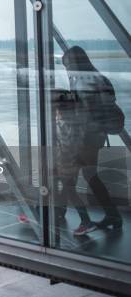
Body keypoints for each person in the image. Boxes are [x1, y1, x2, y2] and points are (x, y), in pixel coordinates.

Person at [62, 46, 123, 231]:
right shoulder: (99, 78)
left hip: (84, 137)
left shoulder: (84, 82)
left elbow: (83, 115)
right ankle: (114, 216)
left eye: (67, 66)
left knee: (67, 178)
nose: (67, 70)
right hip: (96, 136)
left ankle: (84, 221)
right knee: (90, 175)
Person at [52, 89, 96, 236]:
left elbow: (66, 144)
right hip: (70, 161)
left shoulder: (65, 122)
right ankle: (57, 212)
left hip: (66, 162)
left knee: (70, 191)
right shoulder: (73, 119)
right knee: (64, 189)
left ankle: (87, 222)